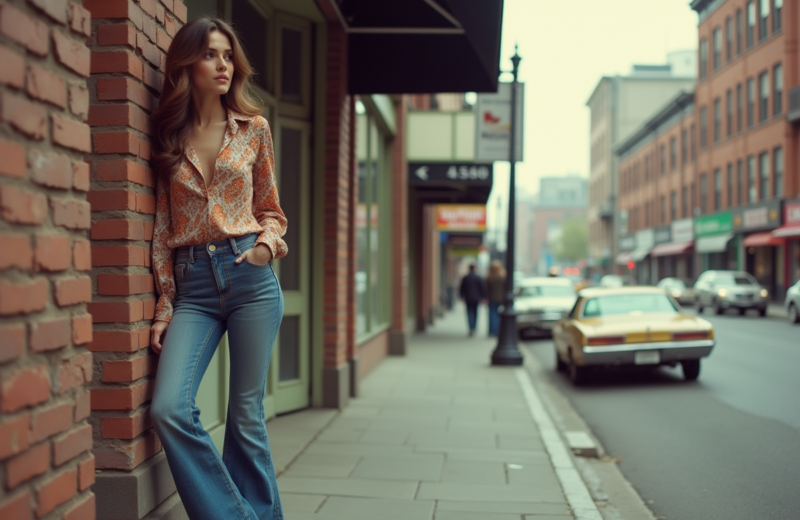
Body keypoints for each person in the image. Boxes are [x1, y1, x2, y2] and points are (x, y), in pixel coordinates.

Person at [148, 18, 286, 520]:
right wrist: (165, 304)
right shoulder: (169, 134)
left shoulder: (255, 130)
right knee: (168, 408)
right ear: (187, 64)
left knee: (245, 417)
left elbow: (272, 209)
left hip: (249, 276)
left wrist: (265, 250)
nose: (223, 64)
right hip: (194, 288)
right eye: (210, 54)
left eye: (228, 55)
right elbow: (164, 227)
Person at [459, 264, 486, 336]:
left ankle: (471, 328)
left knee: (469, 312)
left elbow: (462, 288)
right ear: (475, 269)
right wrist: (484, 297)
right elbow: (482, 288)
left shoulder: (466, 278)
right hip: (476, 298)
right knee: (475, 313)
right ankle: (474, 327)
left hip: (468, 297)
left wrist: (461, 297)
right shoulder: (478, 277)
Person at [485, 260, 506, 337]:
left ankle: (492, 331)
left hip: (492, 298)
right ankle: (497, 331)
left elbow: (486, 289)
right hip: (501, 299)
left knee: (492, 315)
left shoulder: (489, 277)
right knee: (498, 315)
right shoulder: (503, 277)